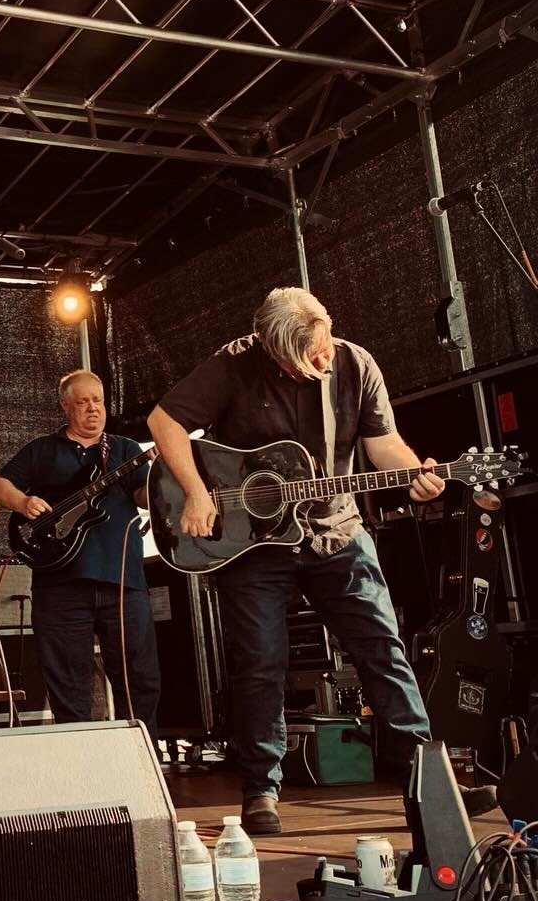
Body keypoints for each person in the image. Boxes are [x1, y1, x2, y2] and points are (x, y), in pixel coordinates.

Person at [147, 286, 497, 834]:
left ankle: (429, 782)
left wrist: (418, 477)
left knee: (384, 650)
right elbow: (164, 422)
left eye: (325, 343)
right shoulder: (233, 364)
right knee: (261, 663)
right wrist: (195, 491)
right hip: (252, 542)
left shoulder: (356, 364)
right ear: (271, 348)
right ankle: (261, 789)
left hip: (338, 530)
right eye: (310, 356)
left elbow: (385, 447)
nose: (325, 357)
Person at [0, 369, 160, 742]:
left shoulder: (125, 450)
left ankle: (143, 754)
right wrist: (23, 501)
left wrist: (164, 478)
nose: (92, 409)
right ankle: (79, 758)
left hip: (122, 582)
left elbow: (146, 499)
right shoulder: (42, 450)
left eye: (97, 401)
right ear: (66, 407)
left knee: (138, 676)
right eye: (82, 402)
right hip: (60, 585)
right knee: (67, 680)